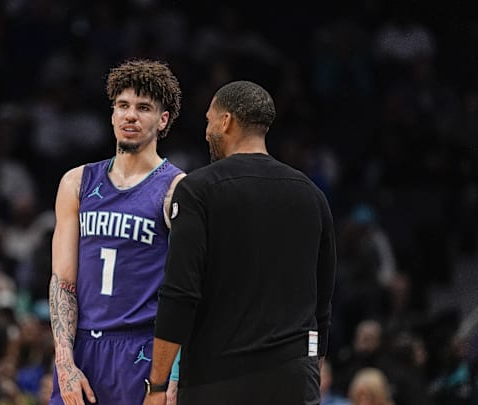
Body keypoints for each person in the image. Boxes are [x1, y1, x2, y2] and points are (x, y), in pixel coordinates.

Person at [143, 80, 336, 405]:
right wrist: (309, 374)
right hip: (293, 379)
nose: (206, 132)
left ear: (226, 121)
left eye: (208, 120)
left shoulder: (198, 190)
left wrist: (158, 386)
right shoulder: (312, 195)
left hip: (218, 379)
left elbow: (179, 293)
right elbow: (323, 305)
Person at [49, 58, 185, 405]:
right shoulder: (76, 182)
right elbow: (63, 282)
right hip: (83, 348)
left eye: (143, 108)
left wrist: (175, 373)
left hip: (143, 350)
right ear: (112, 114)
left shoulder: (177, 189)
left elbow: (189, 288)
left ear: (163, 120)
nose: (130, 116)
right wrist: (64, 362)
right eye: (123, 106)